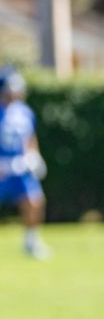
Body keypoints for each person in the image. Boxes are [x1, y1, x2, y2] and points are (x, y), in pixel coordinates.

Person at [0, 69, 50, 259]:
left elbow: (30, 137)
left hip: (19, 167)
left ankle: (31, 241)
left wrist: (34, 156)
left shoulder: (25, 112)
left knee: (34, 200)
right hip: (1, 167)